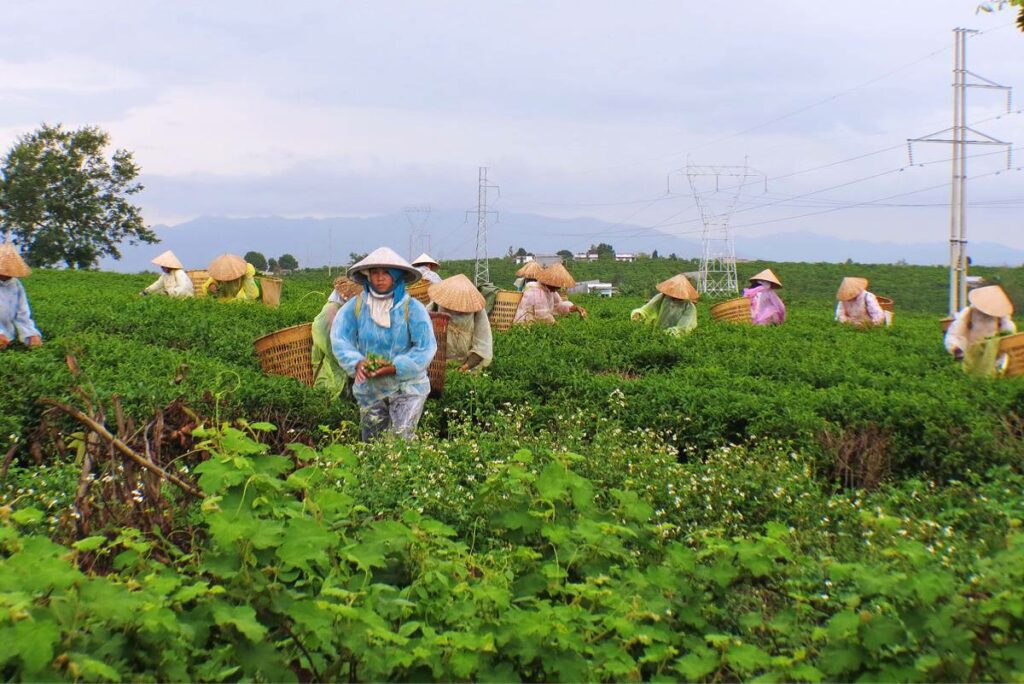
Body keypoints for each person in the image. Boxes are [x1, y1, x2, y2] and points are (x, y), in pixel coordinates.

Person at [331, 247, 437, 441]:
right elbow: (340, 338)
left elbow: (425, 347)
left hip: (408, 387)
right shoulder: (355, 306)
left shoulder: (412, 308)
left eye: (386, 273)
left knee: (401, 440)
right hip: (371, 387)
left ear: (396, 276)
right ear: (367, 276)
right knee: (372, 441)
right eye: (375, 273)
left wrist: (394, 367)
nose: (380, 278)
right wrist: (357, 362)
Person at [944, 285, 1016, 375]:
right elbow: (954, 333)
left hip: (994, 358)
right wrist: (956, 348)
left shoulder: (1001, 317)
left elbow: (1009, 335)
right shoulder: (969, 312)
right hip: (971, 353)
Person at [429, 274, 493, 371]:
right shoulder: (436, 304)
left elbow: (482, 345)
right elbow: (422, 334)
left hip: (465, 363)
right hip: (436, 363)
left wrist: (465, 367)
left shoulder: (477, 309)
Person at [310, 276, 362, 395]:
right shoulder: (331, 310)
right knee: (329, 390)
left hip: (341, 364)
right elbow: (332, 345)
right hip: (329, 365)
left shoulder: (344, 309)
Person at [513, 263, 587, 325]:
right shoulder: (535, 291)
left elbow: (558, 306)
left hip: (537, 325)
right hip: (524, 325)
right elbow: (542, 315)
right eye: (556, 285)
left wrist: (575, 308)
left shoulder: (550, 291)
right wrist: (557, 325)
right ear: (550, 283)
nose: (558, 288)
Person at [0, 243, 42, 350]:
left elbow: (22, 314)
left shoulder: (15, 285)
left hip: (8, 337)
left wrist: (31, 334)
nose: (7, 275)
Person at [630, 274, 698, 336]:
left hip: (675, 341)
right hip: (656, 334)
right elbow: (648, 309)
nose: (675, 297)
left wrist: (666, 334)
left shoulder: (689, 307)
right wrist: (639, 314)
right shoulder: (663, 297)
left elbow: (683, 328)